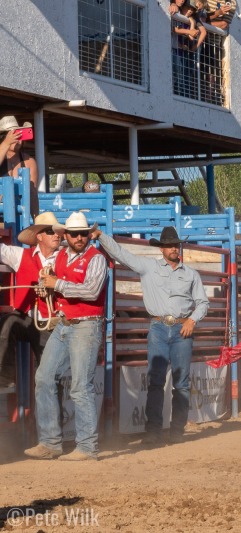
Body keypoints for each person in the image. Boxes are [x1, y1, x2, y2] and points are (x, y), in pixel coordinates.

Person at [91, 225, 209, 445]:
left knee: (180, 383)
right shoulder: (149, 267)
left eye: (176, 245)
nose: (174, 248)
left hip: (182, 327)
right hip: (158, 327)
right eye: (169, 245)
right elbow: (121, 254)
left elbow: (203, 302)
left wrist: (193, 320)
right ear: (161, 249)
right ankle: (154, 431)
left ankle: (176, 432)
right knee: (156, 381)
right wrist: (101, 236)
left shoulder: (191, 274)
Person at [24, 212, 108, 461]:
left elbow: (92, 291)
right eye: (74, 234)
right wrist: (47, 284)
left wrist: (56, 285)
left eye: (83, 233)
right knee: (44, 377)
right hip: (64, 323)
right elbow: (54, 281)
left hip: (86, 325)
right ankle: (50, 442)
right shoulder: (60, 257)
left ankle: (87, 446)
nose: (79, 237)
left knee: (81, 386)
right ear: (66, 236)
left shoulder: (96, 258)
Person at [0, 212, 61, 390]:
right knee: (7, 323)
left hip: (51, 322)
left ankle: (53, 416)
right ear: (39, 236)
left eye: (57, 231)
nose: (56, 234)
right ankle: (5, 376)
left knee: (49, 377)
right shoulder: (21, 255)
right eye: (51, 231)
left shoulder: (64, 258)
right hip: (28, 317)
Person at [0, 115, 39, 216]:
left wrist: (36, 219)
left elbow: (33, 194)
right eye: (13, 134)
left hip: (20, 215)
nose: (17, 139)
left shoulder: (29, 161)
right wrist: (6, 143)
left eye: (19, 134)